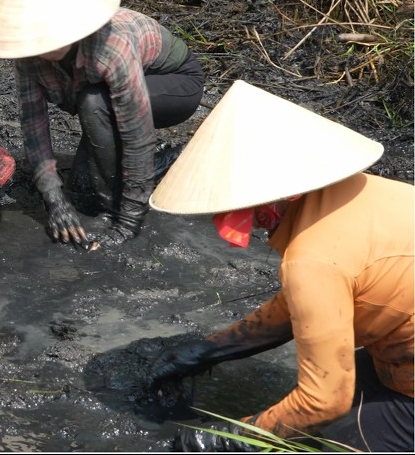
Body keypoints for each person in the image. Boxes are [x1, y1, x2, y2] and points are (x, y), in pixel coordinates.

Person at [146, 80, 412, 452]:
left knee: (334, 439)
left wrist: (223, 440)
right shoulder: (369, 191)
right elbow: (304, 306)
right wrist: (208, 349)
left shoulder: (311, 259)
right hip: (399, 353)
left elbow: (323, 400)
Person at [0, 0, 204, 247]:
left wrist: (126, 220)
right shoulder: (28, 58)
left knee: (93, 102)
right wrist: (54, 201)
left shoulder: (110, 45)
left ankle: (125, 198)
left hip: (173, 84)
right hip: (104, 97)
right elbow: (34, 128)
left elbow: (137, 133)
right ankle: (153, 167)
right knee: (81, 193)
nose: (40, 45)